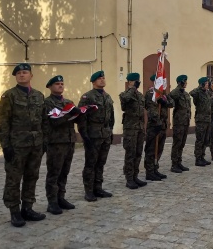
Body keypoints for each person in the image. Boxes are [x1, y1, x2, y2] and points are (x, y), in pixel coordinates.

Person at [0, 63, 47, 227]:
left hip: (35, 144)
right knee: (13, 178)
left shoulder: (39, 96)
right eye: (18, 73)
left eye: (25, 72)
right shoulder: (9, 96)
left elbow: (44, 121)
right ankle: (14, 211)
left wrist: (44, 141)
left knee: (32, 176)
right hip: (17, 145)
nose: (21, 75)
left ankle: (28, 208)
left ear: (31, 75)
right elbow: (3, 123)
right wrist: (6, 146)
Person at [44, 75, 82, 215]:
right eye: (57, 84)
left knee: (64, 172)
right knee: (54, 172)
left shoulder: (68, 102)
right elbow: (53, 121)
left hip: (69, 140)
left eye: (61, 83)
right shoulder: (47, 103)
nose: (60, 86)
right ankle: (52, 202)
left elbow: (73, 120)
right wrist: (68, 114)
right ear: (50, 87)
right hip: (55, 142)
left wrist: (79, 114)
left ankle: (61, 197)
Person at [78, 71, 115, 201]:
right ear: (93, 82)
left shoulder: (108, 96)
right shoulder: (87, 97)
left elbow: (111, 116)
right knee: (91, 163)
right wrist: (84, 136)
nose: (102, 80)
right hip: (93, 135)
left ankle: (98, 187)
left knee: (101, 163)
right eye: (99, 79)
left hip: (105, 134)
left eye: (104, 78)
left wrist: (110, 131)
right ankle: (88, 191)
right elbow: (81, 118)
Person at [118, 73, 148, 189]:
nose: (137, 82)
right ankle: (129, 178)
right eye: (135, 81)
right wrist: (132, 89)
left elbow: (144, 111)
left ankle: (135, 176)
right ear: (129, 82)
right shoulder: (124, 94)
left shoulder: (140, 95)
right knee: (130, 153)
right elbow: (125, 102)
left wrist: (144, 127)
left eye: (138, 81)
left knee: (138, 152)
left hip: (139, 128)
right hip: (130, 128)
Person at [144, 74, 174, 180]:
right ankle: (149, 171)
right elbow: (151, 109)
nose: (163, 83)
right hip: (154, 126)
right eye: (161, 81)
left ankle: (155, 168)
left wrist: (164, 101)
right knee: (151, 149)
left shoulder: (163, 94)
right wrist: (157, 121)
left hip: (163, 125)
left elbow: (172, 103)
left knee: (159, 148)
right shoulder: (150, 94)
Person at [169, 75, 192, 173]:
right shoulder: (175, 92)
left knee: (182, 143)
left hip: (185, 121)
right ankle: (174, 164)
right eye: (184, 82)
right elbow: (170, 100)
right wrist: (179, 88)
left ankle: (179, 162)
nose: (186, 83)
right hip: (179, 122)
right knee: (177, 143)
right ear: (181, 82)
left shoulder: (186, 94)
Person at [190, 77, 213, 166]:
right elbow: (191, 93)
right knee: (200, 139)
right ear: (202, 84)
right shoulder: (198, 93)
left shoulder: (207, 93)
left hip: (207, 119)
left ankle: (202, 156)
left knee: (205, 140)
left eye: (207, 83)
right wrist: (200, 87)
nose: (208, 85)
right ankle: (198, 158)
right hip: (201, 119)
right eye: (206, 84)